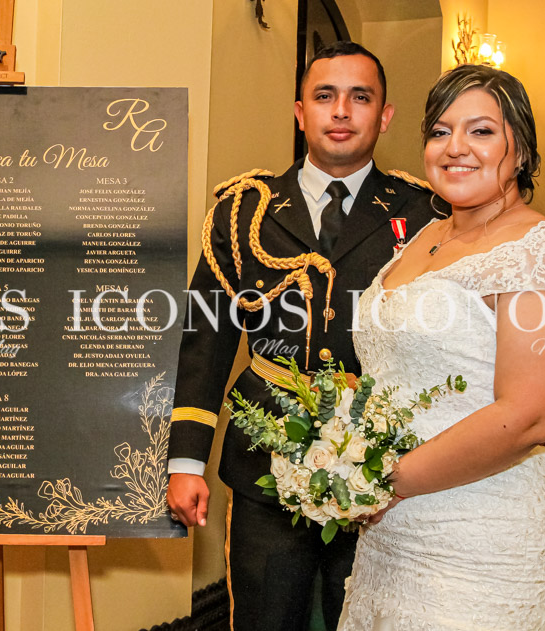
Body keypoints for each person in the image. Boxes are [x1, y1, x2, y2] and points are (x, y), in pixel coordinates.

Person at [166, 42, 438, 631]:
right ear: (299, 112)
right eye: (325, 96)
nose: (341, 110)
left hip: (383, 466)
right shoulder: (243, 211)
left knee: (368, 620)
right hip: (264, 457)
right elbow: (205, 338)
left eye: (359, 97)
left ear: (384, 116)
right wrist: (186, 460)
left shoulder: (424, 213)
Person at [336, 64, 545, 630]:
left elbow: (531, 416)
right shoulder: (425, 237)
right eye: (439, 131)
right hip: (389, 533)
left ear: (520, 149)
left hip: (486, 529)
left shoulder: (538, 250)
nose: (456, 148)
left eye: (481, 131)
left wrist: (381, 480)